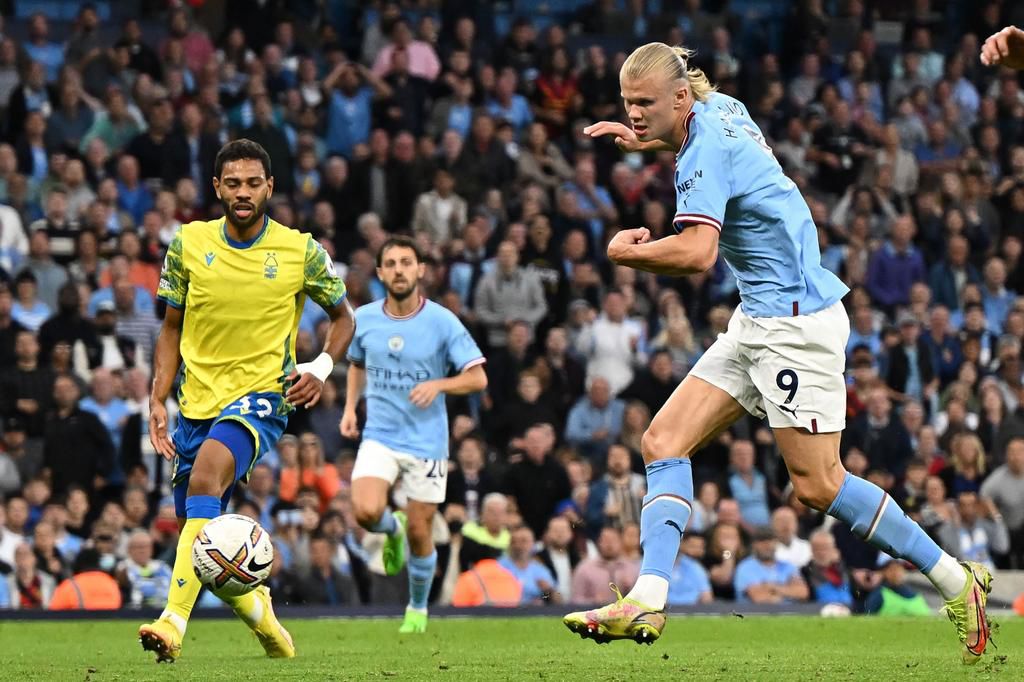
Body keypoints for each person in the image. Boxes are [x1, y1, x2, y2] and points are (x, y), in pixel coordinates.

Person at [564, 42, 992, 665]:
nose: (632, 113)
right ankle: (648, 598)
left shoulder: (702, 147)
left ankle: (958, 582)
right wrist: (646, 141)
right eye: (627, 102)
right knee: (662, 442)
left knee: (818, 486)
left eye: (644, 104)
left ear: (680, 97)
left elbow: (697, 254)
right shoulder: (722, 108)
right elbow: (718, 162)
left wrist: (624, 254)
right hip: (758, 319)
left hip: (797, 328)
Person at [138, 139, 355, 662]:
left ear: (269, 187)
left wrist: (321, 368)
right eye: (232, 183)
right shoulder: (187, 244)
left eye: (253, 183)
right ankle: (262, 617)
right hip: (194, 404)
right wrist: (158, 398)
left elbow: (345, 317)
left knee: (208, 480)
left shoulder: (299, 250)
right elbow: (171, 328)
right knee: (207, 544)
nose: (242, 192)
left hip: (261, 398)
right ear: (216, 188)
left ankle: (172, 623)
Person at [341, 235, 486, 633]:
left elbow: (477, 377)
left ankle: (418, 608)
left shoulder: (442, 321)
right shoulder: (364, 318)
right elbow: (356, 363)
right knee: (366, 511)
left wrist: (438, 385)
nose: (399, 269)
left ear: (420, 270)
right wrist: (351, 407)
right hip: (380, 436)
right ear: (380, 273)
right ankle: (391, 530)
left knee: (422, 531)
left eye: (407, 262)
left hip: (427, 442)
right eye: (391, 263)